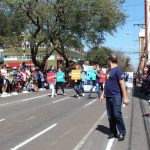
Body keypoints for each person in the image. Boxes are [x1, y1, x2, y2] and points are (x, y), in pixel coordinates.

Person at [100, 54, 129, 141]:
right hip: (108, 96)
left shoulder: (118, 70)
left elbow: (122, 84)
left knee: (117, 114)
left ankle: (122, 132)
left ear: (110, 61)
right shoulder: (109, 71)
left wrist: (125, 97)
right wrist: (102, 94)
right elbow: (106, 84)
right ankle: (113, 132)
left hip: (116, 95)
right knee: (110, 116)